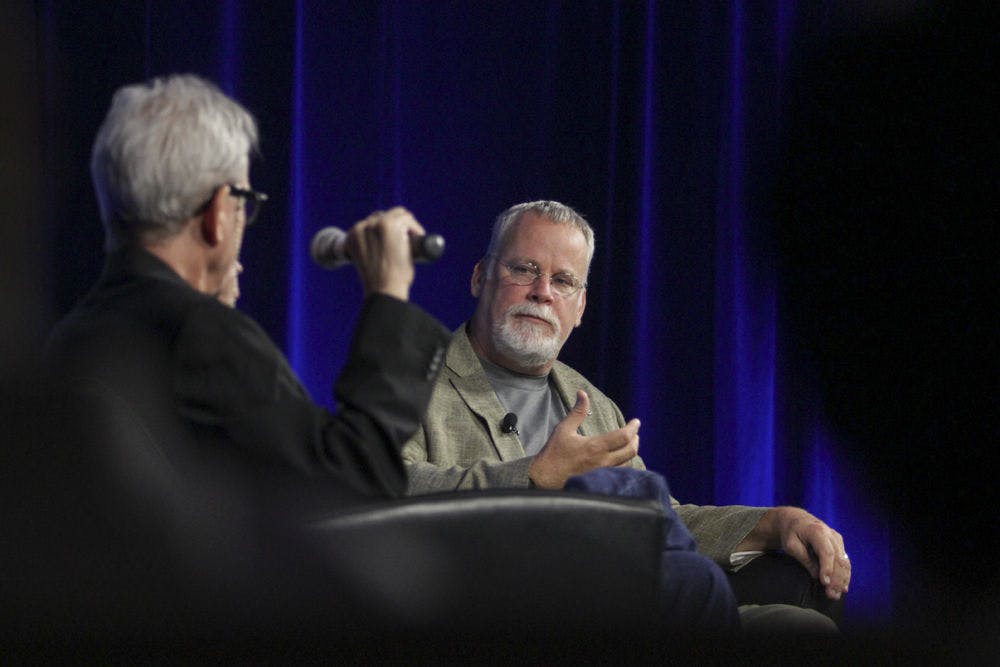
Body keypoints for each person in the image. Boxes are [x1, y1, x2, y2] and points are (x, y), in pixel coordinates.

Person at [41, 74, 451, 633]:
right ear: (217, 211)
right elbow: (354, 484)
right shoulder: (202, 335)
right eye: (247, 201)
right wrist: (388, 297)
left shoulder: (68, 337)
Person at [402, 200, 848, 633]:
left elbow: (666, 523)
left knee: (798, 623)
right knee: (681, 576)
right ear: (480, 277)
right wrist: (535, 478)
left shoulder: (592, 404)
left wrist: (775, 523)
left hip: (628, 601)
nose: (542, 292)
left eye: (563, 281)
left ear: (579, 308)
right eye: (524, 270)